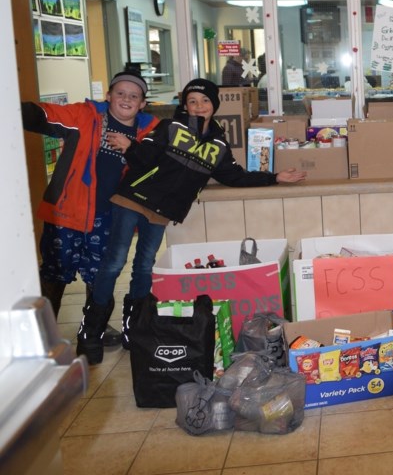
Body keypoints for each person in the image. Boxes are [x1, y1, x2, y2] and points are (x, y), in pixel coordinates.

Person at [77, 78, 307, 364]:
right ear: (185, 106)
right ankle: (91, 331)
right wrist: (131, 146)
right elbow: (144, 159)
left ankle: (134, 329)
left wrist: (274, 177)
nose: (198, 107)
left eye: (205, 101)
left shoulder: (219, 143)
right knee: (114, 263)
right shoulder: (170, 127)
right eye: (192, 102)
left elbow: (234, 176)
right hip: (133, 198)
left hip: (163, 210)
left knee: (144, 267)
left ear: (214, 106)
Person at [22, 71, 159, 345]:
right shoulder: (83, 116)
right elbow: (45, 114)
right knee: (53, 274)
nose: (126, 99)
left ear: (142, 104)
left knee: (100, 276)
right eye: (120, 93)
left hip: (110, 217)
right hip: (66, 213)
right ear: (108, 96)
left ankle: (94, 328)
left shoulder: (150, 134)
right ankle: (41, 336)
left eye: (134, 96)